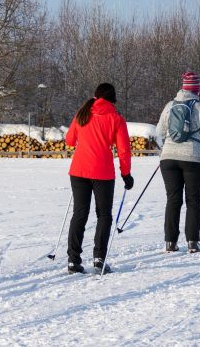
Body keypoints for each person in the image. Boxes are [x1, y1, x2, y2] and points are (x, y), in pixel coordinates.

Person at [65, 83, 134, 274]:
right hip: (102, 173)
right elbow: (123, 149)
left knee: (80, 213)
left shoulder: (83, 113)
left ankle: (73, 260)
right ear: (113, 99)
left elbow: (70, 140)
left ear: (96, 97)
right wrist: (126, 174)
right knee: (103, 214)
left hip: (78, 170)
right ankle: (99, 258)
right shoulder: (116, 118)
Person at [155, 71, 200, 253]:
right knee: (193, 200)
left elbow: (158, 133)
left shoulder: (170, 106)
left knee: (173, 200)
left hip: (169, 159)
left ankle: (170, 243)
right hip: (194, 158)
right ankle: (192, 242)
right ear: (197, 89)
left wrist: (167, 149)